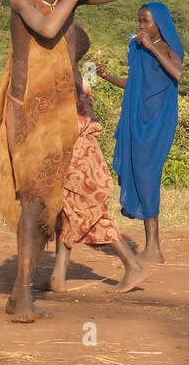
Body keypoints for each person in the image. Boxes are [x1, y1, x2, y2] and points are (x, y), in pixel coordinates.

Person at [0, 0, 132, 322]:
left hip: (59, 114)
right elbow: (46, 29)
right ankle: (24, 295)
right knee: (32, 202)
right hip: (25, 112)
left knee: (44, 205)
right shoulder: (21, 0)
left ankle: (18, 293)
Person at [42, 26, 149, 292]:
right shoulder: (77, 74)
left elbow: (65, 122)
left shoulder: (66, 78)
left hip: (75, 153)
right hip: (82, 151)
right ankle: (58, 276)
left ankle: (132, 265)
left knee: (88, 213)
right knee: (65, 214)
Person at [100, 1, 183, 263]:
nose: (142, 26)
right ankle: (151, 246)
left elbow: (177, 74)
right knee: (139, 172)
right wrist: (107, 77)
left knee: (148, 175)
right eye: (139, 22)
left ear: (160, 23)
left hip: (158, 121)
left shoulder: (168, 47)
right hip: (137, 118)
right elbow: (134, 83)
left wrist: (151, 47)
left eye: (146, 21)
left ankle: (154, 247)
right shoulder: (137, 48)